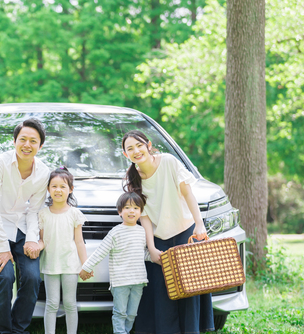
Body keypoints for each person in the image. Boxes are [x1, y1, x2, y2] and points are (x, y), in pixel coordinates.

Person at [121, 130, 214, 334]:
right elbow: (143, 217)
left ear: (149, 145)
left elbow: (188, 193)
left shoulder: (169, 162)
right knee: (161, 290)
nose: (136, 151)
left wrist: (199, 224)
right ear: (126, 154)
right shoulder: (133, 179)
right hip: (159, 237)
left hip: (185, 230)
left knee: (189, 287)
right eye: (130, 149)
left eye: (139, 145)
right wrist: (151, 248)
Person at [0, 118, 50, 334]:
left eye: (33, 141)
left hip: (21, 226)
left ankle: (18, 329)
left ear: (40, 145)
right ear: (15, 141)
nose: (27, 145)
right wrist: (2, 247)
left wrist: (31, 240)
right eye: (23, 139)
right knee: (4, 276)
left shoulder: (43, 172)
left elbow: (34, 210)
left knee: (32, 277)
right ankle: (0, 330)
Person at [79, 191, 149, 334]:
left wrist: (159, 258)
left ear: (141, 212)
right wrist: (86, 267)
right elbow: (100, 251)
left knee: (132, 314)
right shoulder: (115, 232)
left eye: (136, 208)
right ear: (120, 212)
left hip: (138, 281)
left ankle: (126, 331)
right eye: (127, 207)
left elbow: (142, 254)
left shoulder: (142, 231)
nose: (132, 211)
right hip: (121, 282)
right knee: (120, 313)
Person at [37, 167, 88, 334]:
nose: (58, 190)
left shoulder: (75, 214)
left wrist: (86, 264)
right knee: (51, 303)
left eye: (63, 186)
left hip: (70, 266)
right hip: (51, 265)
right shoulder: (43, 214)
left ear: (70, 189)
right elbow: (42, 240)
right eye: (54, 186)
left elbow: (79, 242)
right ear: (48, 189)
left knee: (70, 303)